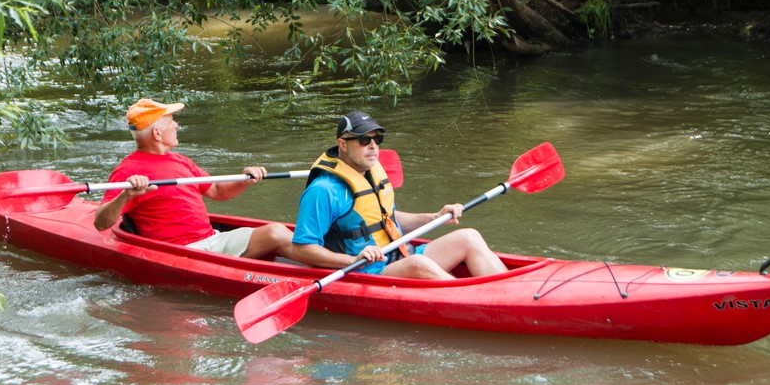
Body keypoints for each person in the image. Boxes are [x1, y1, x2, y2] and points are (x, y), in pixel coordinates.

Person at [288, 111, 509, 279]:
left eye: (377, 139)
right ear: (342, 145)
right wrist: (352, 259)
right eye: (364, 140)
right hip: (367, 270)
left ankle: (507, 289)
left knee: (469, 236)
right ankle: (480, 303)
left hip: (401, 254)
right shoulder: (323, 191)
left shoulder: (370, 173)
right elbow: (302, 249)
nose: (373, 146)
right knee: (418, 264)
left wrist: (435, 217)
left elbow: (389, 219)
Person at [93, 98, 294, 259]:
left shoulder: (180, 160)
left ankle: (314, 266)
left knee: (281, 233)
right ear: (157, 133)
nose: (177, 125)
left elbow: (217, 191)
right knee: (275, 232)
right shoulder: (127, 171)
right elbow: (101, 223)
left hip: (211, 239)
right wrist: (125, 196)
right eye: (171, 121)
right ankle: (316, 268)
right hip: (186, 252)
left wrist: (245, 180)